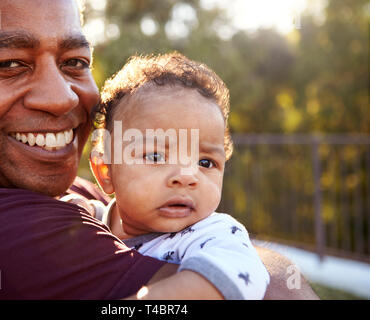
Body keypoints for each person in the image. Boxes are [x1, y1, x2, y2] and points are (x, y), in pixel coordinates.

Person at [0, 0, 318, 300]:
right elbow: (278, 292)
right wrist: (260, 261)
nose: (60, 98)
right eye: (9, 64)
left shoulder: (89, 199)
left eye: (74, 61)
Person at [84, 53, 269, 300]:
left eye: (205, 162)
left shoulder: (214, 234)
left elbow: (225, 283)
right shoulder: (89, 221)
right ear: (106, 171)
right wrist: (83, 210)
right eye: (156, 157)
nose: (186, 177)